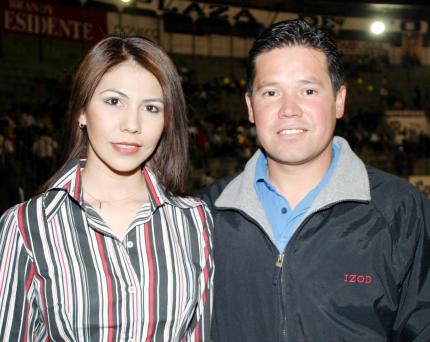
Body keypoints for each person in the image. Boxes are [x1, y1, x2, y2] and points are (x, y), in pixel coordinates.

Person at [200, 19, 430, 341]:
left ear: (339, 101)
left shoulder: (403, 211)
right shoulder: (203, 214)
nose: (289, 109)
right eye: (271, 92)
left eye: (308, 90)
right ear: (251, 107)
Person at [0, 36, 213, 341]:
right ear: (82, 111)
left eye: (152, 108)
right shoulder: (25, 226)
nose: (132, 124)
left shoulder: (194, 220)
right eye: (114, 101)